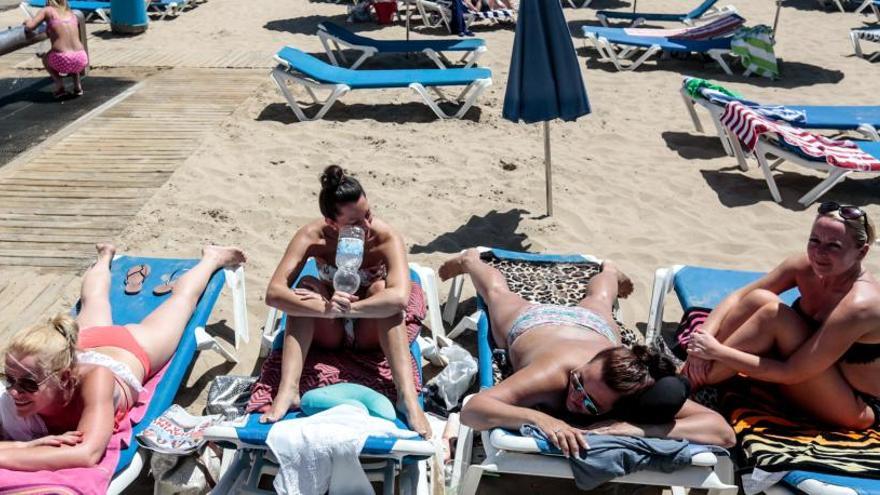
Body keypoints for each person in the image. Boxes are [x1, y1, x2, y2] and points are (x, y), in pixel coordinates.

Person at [438, 249, 736, 458]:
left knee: (601, 299)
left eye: (591, 403)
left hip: (594, 330)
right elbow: (474, 410)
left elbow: (723, 433)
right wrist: (542, 420)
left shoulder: (636, 389)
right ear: (587, 365)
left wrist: (636, 429)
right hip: (537, 325)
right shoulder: (555, 374)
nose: (575, 396)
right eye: (578, 382)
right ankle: (470, 260)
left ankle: (609, 270)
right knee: (497, 294)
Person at [0, 243, 245, 470]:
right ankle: (105, 257)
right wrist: (24, 446)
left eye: (28, 384)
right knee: (92, 301)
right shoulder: (20, 387)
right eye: (8, 379)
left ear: (65, 378)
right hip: (86, 340)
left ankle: (212, 258)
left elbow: (87, 453)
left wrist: (12, 450)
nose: (13, 391)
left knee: (182, 300)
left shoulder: (98, 379)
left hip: (131, 349)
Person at [262, 165, 430, 438]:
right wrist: (324, 308)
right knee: (306, 289)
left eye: (368, 215)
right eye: (354, 224)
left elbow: (400, 297)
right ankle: (288, 390)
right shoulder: (312, 237)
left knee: (381, 290)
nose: (366, 226)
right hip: (330, 328)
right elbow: (274, 293)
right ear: (331, 222)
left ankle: (407, 398)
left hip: (370, 326)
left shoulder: (384, 237)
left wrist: (352, 308)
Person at [685, 202, 880, 430]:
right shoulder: (804, 266)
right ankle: (693, 375)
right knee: (761, 298)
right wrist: (700, 343)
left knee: (773, 316)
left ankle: (686, 385)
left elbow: (791, 372)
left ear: (862, 251)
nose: (819, 253)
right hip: (808, 375)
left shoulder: (861, 305)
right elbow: (738, 298)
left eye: (834, 246)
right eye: (814, 241)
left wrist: (717, 351)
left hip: (854, 405)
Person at [22, 0, 88, 98]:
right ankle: (77, 86)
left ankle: (59, 86)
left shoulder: (47, 10)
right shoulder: (71, 13)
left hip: (63, 60)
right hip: (81, 59)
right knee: (71, 53)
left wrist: (27, 22)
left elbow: (29, 27)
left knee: (45, 59)